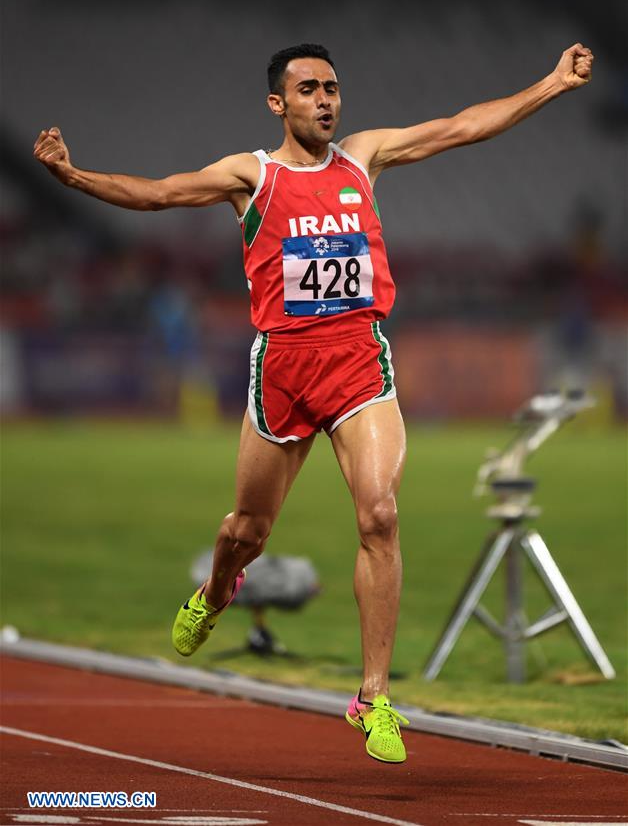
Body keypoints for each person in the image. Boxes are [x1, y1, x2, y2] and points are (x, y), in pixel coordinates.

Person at [34, 40, 594, 763]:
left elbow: (461, 126)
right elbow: (160, 193)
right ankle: (217, 590)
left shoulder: (364, 156)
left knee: (381, 512)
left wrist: (550, 82)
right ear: (279, 103)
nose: (326, 100)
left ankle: (374, 696)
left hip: (360, 360)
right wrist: (72, 176)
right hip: (284, 371)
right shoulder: (251, 175)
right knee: (246, 531)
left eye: (333, 87)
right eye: (309, 90)